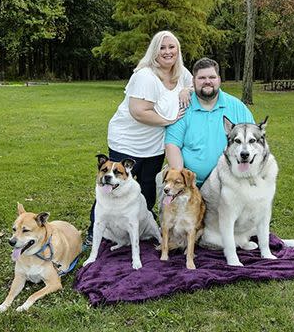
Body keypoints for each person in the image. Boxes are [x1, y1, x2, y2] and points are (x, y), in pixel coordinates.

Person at [86, 30, 192, 245]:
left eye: (172, 47)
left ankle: (139, 227)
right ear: (154, 51)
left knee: (146, 188)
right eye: (162, 47)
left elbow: (196, 85)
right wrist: (169, 120)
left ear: (178, 50)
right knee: (114, 185)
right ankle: (94, 231)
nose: (167, 52)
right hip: (127, 140)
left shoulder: (183, 74)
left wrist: (187, 90)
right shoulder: (145, 76)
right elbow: (139, 111)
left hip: (154, 144)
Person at [165, 57, 254, 187]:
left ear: (219, 79)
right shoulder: (184, 107)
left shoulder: (237, 107)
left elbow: (254, 141)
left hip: (230, 183)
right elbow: (172, 145)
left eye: (212, 77)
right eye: (201, 78)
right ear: (193, 81)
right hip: (192, 183)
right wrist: (183, 180)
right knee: (162, 183)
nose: (207, 81)